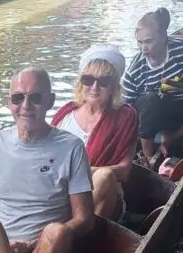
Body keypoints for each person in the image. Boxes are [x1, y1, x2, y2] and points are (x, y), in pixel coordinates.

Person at [0, 68, 95, 253]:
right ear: (9, 103)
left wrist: (33, 243)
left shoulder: (71, 147)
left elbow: (84, 219)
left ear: (50, 101)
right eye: (18, 98)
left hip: (41, 252)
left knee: (56, 232)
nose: (26, 106)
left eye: (35, 98)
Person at [51, 45, 138, 220]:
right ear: (81, 82)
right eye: (88, 80)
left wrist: (79, 172)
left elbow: (124, 170)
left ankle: (85, 233)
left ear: (114, 86)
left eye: (103, 82)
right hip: (60, 190)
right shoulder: (66, 113)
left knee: (104, 176)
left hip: (100, 195)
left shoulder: (125, 117)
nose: (94, 87)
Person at [122, 7, 183, 164]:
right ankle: (148, 156)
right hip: (154, 115)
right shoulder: (135, 68)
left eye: (149, 41)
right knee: (149, 100)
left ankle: (172, 136)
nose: (144, 48)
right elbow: (126, 109)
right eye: (139, 42)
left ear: (163, 36)